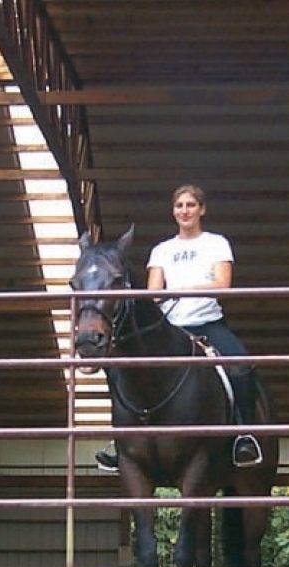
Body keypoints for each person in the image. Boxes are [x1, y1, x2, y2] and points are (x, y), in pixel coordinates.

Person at [95, 184, 263, 471]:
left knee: (241, 364)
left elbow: (222, 284)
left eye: (190, 205)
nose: (184, 211)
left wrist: (182, 288)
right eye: (179, 206)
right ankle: (121, 440)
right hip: (170, 327)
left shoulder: (216, 243)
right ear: (173, 212)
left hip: (207, 323)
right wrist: (160, 294)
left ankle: (244, 435)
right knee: (119, 368)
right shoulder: (162, 250)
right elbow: (152, 293)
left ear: (201, 209)